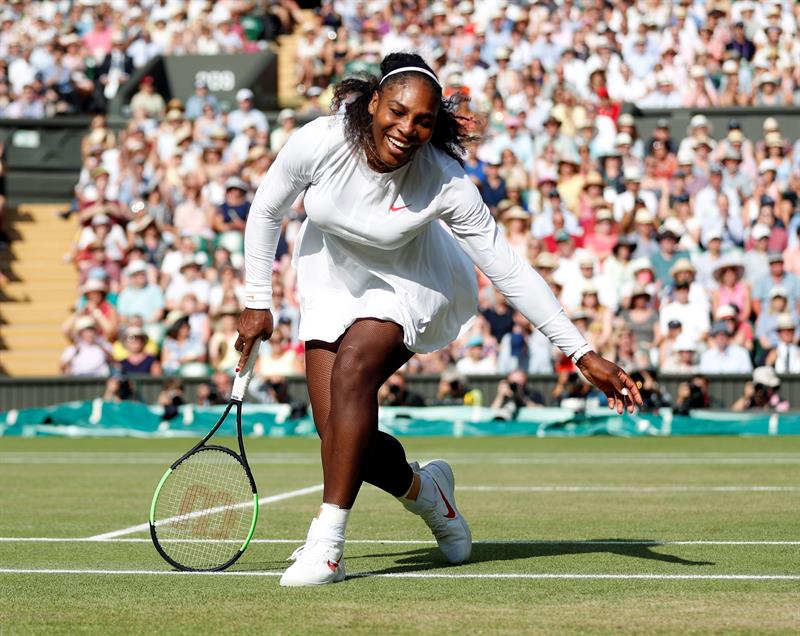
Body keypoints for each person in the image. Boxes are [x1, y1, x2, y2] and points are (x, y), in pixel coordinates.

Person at [234, 53, 641, 587]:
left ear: (435, 126)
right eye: (398, 112)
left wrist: (581, 352)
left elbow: (509, 270)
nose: (407, 128)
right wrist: (256, 299)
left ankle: (327, 545)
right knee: (336, 432)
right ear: (374, 102)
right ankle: (428, 494)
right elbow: (267, 209)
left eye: (423, 120)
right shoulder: (321, 140)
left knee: (354, 371)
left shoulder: (445, 181)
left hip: (412, 284)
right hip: (331, 279)